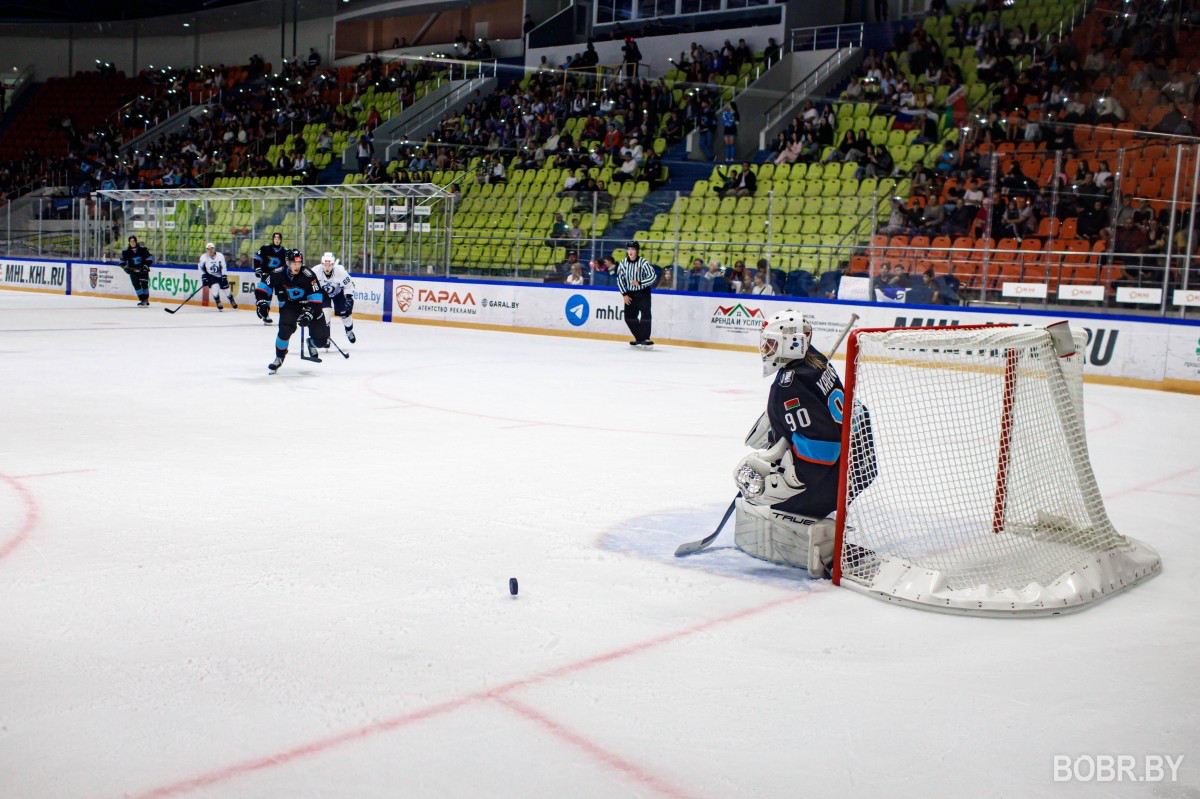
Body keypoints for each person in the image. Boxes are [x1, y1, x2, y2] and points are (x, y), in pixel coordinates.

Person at [732, 311, 875, 576]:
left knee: (753, 487)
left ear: (792, 343)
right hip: (859, 467)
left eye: (771, 343)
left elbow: (823, 449)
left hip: (833, 480)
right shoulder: (817, 360)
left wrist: (785, 480)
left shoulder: (789, 386)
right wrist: (781, 428)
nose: (765, 350)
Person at [254, 249, 332, 374]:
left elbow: (317, 297)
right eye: (294, 263)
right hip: (290, 306)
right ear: (287, 262)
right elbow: (263, 287)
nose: (297, 266)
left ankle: (311, 341)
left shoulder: (308, 275)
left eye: (299, 263)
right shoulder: (277, 273)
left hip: (310, 306)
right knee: (285, 330)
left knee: (321, 342)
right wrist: (262, 303)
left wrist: (308, 313)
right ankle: (279, 356)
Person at [616, 241, 657, 349]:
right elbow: (619, 279)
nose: (630, 251)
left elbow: (652, 276)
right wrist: (624, 294)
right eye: (629, 249)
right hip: (630, 293)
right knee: (629, 317)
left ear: (637, 251)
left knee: (645, 315)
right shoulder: (623, 263)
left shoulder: (643, 262)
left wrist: (640, 282)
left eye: (633, 249)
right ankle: (639, 338)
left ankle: (646, 338)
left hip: (643, 292)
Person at [314, 252, 357, 344]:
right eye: (325, 265)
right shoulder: (315, 271)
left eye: (329, 265)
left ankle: (349, 331)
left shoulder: (340, 272)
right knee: (325, 315)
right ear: (322, 264)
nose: (327, 267)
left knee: (345, 314)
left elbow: (349, 285)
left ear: (333, 265)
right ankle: (326, 337)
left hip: (338, 293)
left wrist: (348, 298)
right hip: (323, 295)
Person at [252, 232, 288, 324]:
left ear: (281, 240)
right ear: (273, 239)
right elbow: (256, 257)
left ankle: (284, 317)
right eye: (275, 238)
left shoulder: (285, 251)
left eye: (278, 238)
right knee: (267, 294)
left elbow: (289, 263)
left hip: (280, 276)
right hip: (267, 274)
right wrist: (257, 268)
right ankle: (265, 314)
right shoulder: (265, 248)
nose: (277, 240)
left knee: (282, 296)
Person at [198, 242, 236, 312]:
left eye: (211, 248)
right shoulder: (203, 257)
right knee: (214, 288)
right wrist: (204, 277)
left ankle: (231, 300)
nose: (210, 250)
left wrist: (224, 275)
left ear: (214, 248)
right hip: (211, 276)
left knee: (226, 290)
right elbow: (201, 268)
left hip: (220, 275)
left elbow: (223, 266)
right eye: (208, 249)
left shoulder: (220, 255)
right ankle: (218, 302)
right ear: (206, 249)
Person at [119, 235, 153, 307]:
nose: (132, 243)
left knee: (144, 285)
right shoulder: (126, 252)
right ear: (129, 242)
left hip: (143, 271)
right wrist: (125, 267)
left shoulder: (143, 250)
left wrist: (146, 266)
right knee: (136, 286)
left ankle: (146, 300)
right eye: (131, 241)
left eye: (133, 241)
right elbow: (122, 261)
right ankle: (142, 300)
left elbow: (150, 257)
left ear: (135, 241)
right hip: (133, 272)